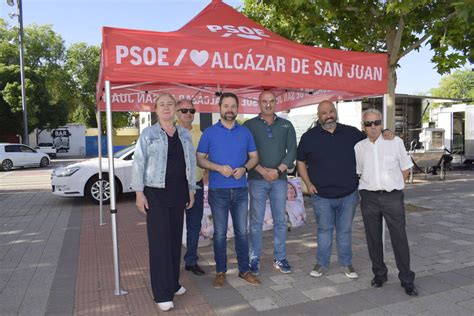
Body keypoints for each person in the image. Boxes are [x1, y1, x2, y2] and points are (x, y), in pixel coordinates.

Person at [297, 100, 393, 280]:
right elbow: (300, 161)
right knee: (324, 230)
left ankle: (346, 264)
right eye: (324, 113)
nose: (328, 115)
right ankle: (321, 263)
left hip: (348, 194)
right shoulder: (309, 137)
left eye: (331, 111)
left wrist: (385, 131)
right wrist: (308, 184)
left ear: (336, 112)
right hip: (321, 196)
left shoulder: (351, 133)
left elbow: (372, 139)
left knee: (345, 231)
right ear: (319, 116)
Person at [131, 93, 196, 311]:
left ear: (176, 108)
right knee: (159, 244)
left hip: (178, 195)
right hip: (156, 195)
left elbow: (191, 164)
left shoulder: (185, 135)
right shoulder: (148, 134)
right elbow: (138, 163)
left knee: (175, 241)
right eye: (162, 105)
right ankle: (162, 293)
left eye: (170, 104)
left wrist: (191, 190)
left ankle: (173, 283)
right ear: (156, 110)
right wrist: (139, 192)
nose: (166, 108)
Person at [197, 92, 260, 288]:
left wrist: (245, 168)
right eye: (226, 106)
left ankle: (244, 270)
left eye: (233, 106)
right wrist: (217, 167)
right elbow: (200, 158)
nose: (230, 109)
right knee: (220, 234)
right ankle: (221, 272)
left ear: (237, 108)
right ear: (220, 108)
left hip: (240, 190)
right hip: (218, 192)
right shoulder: (209, 132)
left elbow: (254, 157)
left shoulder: (245, 132)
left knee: (242, 232)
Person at [355, 109, 418, 296]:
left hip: (392, 197)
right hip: (368, 197)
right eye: (368, 124)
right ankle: (380, 274)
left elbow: (406, 168)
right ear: (363, 126)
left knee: (399, 238)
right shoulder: (359, 147)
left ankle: (407, 279)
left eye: (376, 122)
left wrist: (397, 185)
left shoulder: (395, 142)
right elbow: (360, 171)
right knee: (373, 238)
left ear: (382, 123)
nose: (373, 127)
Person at [243, 90, 297, 275]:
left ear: (276, 102)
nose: (268, 104)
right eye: (264, 101)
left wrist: (277, 170)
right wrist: (261, 170)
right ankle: (253, 257)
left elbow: (292, 152)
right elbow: (244, 151)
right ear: (259, 103)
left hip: (279, 180)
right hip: (257, 179)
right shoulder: (249, 125)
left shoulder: (286, 125)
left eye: (271, 101)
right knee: (256, 221)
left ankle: (280, 257)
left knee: (280, 220)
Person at [176, 99, 206, 276]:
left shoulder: (199, 133)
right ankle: (172, 260)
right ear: (176, 113)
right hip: (176, 187)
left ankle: (191, 260)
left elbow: (204, 157)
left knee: (194, 225)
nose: (188, 113)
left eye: (192, 110)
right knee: (174, 226)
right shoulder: (170, 132)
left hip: (197, 185)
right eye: (184, 110)